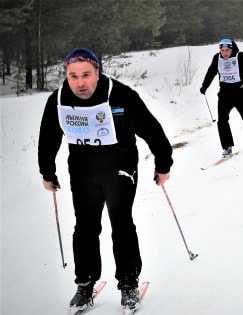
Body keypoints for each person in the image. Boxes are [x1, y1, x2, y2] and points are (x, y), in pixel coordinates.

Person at [38, 48, 173, 312]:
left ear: (97, 72)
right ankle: (85, 284)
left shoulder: (121, 95)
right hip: (82, 171)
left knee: (121, 223)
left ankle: (128, 284)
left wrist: (163, 163)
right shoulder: (59, 99)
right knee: (85, 227)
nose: (80, 82)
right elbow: (48, 137)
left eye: (86, 75)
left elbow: (151, 129)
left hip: (119, 168)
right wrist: (47, 172)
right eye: (73, 76)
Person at [200, 38, 243, 157]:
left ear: (232, 49)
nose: (224, 53)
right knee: (222, 121)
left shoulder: (242, 57)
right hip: (225, 94)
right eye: (222, 50)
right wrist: (204, 86)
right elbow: (211, 72)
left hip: (241, 93)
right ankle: (227, 147)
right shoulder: (217, 58)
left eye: (227, 50)